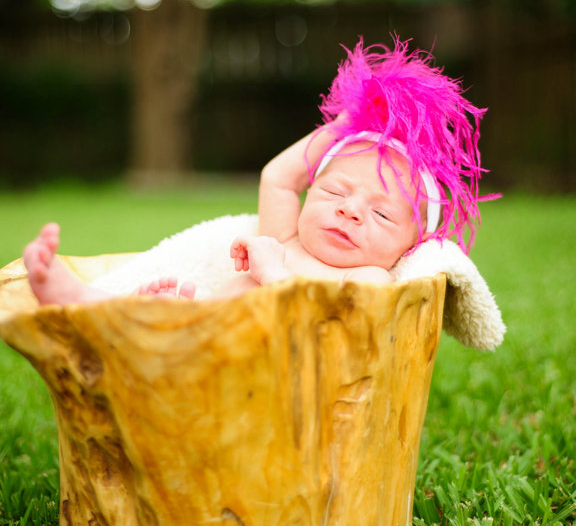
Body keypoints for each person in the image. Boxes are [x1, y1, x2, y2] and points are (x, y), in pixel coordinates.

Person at [23, 38, 490, 306]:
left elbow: (331, 328)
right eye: (334, 192)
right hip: (204, 331)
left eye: (382, 214)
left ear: (410, 245)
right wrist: (348, 123)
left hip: (260, 377)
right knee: (153, 313)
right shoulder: (286, 238)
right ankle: (84, 302)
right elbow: (279, 178)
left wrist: (273, 273)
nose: (349, 210)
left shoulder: (369, 279)